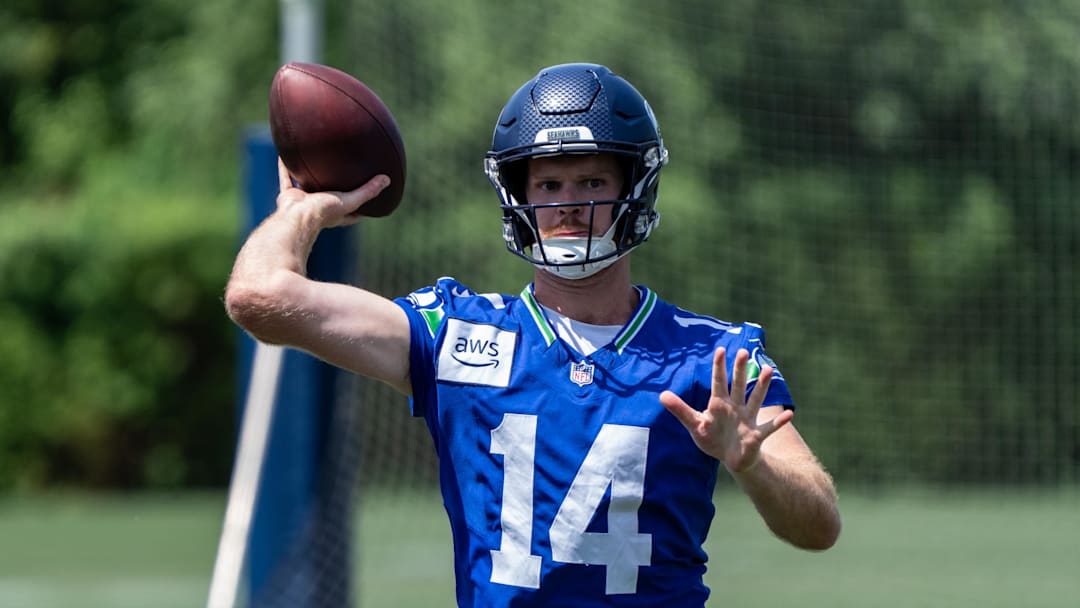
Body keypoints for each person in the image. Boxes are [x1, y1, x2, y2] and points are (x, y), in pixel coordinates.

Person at [225, 62, 840, 607]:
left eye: (592, 182)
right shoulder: (455, 335)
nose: (568, 205)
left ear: (634, 187)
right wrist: (301, 214)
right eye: (548, 185)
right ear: (517, 195)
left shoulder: (709, 355)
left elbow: (819, 524)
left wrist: (751, 464)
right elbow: (259, 298)